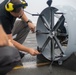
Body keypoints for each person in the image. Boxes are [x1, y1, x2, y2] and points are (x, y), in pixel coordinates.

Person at [0, 0, 40, 75]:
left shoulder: (14, 3)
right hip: (1, 31)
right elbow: (10, 40)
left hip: (8, 28)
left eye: (20, 14)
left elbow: (20, 14)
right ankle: (11, 50)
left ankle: (15, 49)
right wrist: (28, 50)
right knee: (9, 47)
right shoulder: (3, 17)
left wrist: (28, 22)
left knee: (26, 24)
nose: (19, 17)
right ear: (10, 11)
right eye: (17, 16)